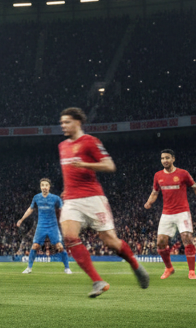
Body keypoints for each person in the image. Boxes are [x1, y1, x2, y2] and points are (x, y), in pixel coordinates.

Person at [58, 107, 150, 298]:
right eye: (62, 122)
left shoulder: (91, 142)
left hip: (93, 198)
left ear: (78, 122)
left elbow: (110, 166)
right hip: (72, 201)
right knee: (69, 237)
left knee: (111, 242)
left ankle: (135, 264)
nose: (63, 125)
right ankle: (97, 281)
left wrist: (85, 164)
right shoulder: (62, 146)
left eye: (67, 122)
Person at [144, 148, 196, 280]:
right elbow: (154, 192)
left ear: (173, 159)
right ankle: (169, 268)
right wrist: (149, 202)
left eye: (167, 158)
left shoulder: (183, 173)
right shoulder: (158, 175)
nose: (165, 160)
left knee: (187, 238)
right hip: (166, 213)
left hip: (182, 212)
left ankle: (191, 271)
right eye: (163, 158)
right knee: (160, 243)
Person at [16, 178, 72, 273]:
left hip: (53, 226)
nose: (44, 187)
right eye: (42, 185)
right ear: (40, 187)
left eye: (46, 185)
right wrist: (21, 219)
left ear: (49, 187)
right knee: (35, 246)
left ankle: (67, 268)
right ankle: (29, 268)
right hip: (41, 226)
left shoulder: (55, 198)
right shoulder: (36, 198)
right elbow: (30, 209)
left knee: (59, 246)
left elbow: (63, 210)